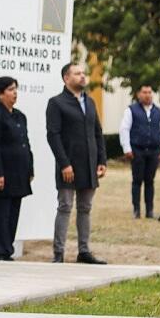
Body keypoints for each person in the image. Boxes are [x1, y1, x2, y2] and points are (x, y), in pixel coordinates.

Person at [46, 63, 107, 264]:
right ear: (66, 78)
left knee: (85, 208)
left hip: (89, 165)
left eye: (83, 73)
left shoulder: (89, 102)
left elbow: (97, 133)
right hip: (68, 166)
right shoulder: (56, 103)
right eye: (77, 73)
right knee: (65, 206)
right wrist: (64, 164)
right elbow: (53, 136)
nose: (82, 76)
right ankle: (58, 254)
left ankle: (84, 251)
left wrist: (102, 160)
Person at [0, 77, 34, 261]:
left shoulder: (19, 115)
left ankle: (7, 250)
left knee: (13, 214)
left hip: (19, 172)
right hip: (2, 172)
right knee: (1, 215)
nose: (15, 93)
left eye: (15, 89)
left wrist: (30, 168)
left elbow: (25, 143)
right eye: (11, 89)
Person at [118, 85, 160, 218]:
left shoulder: (158, 111)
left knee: (150, 181)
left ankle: (149, 210)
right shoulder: (131, 110)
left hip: (153, 151)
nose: (147, 95)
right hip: (137, 150)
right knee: (137, 180)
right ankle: (136, 210)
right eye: (144, 92)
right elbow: (124, 129)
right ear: (139, 94)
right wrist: (127, 148)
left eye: (150, 92)